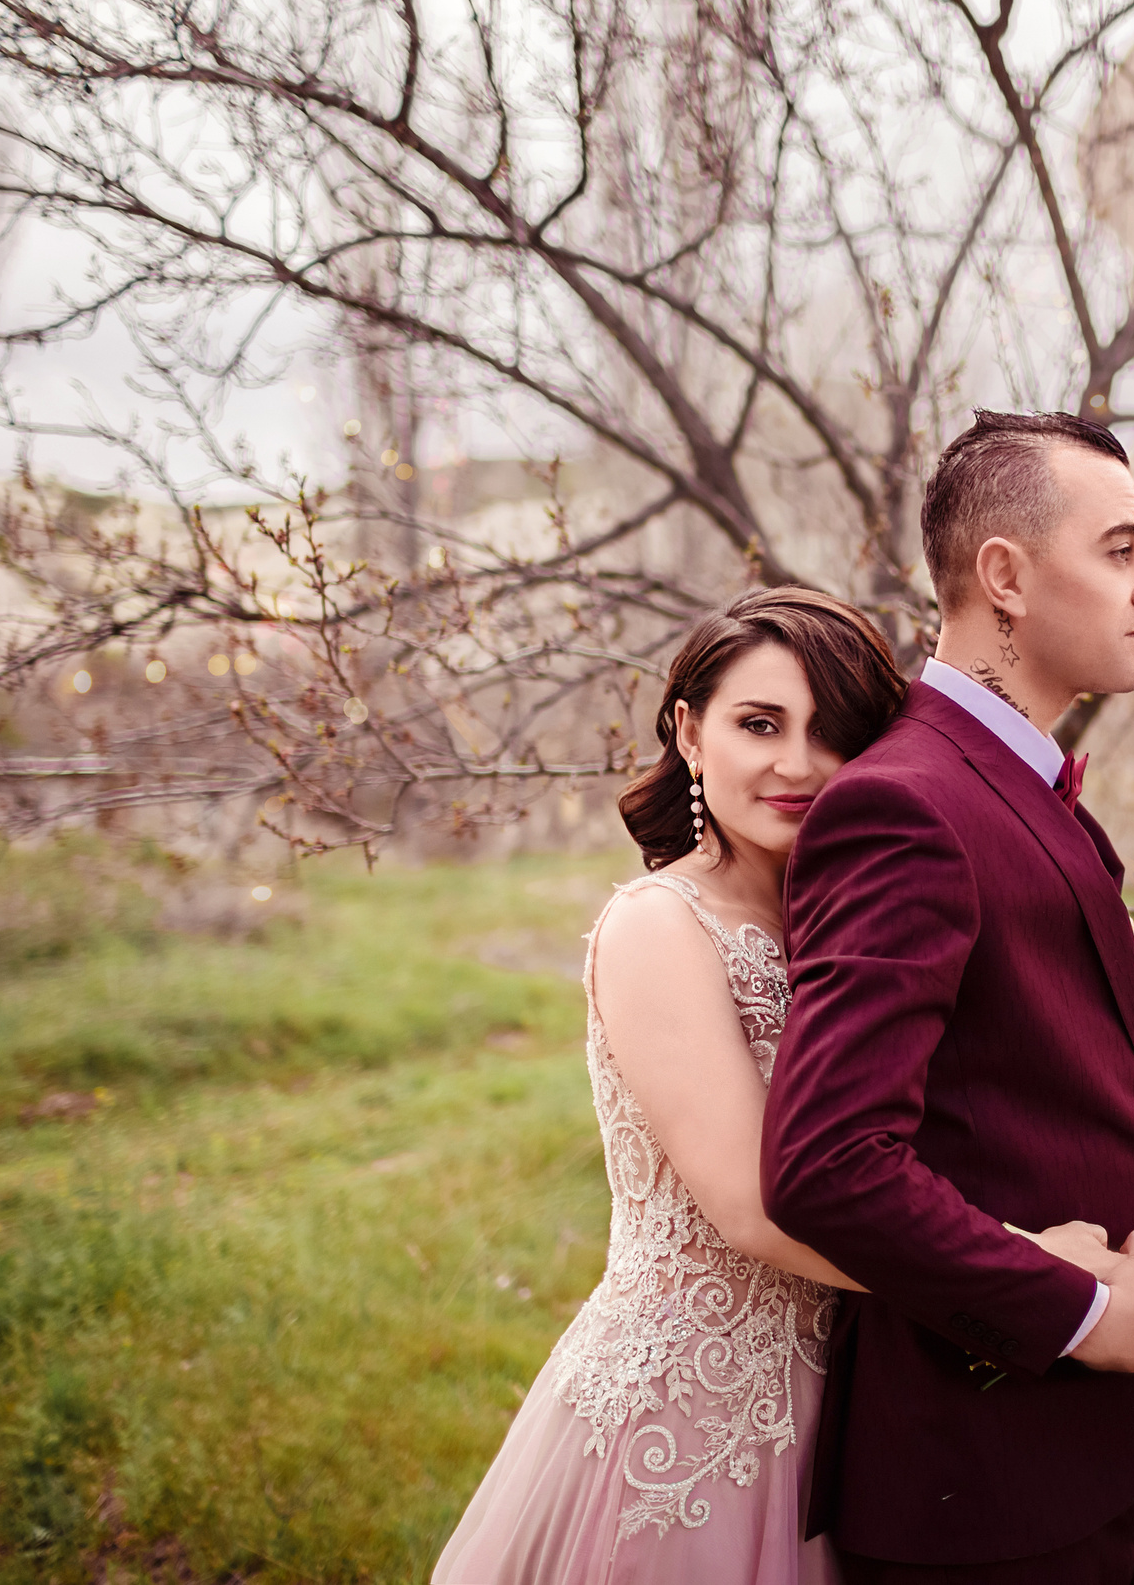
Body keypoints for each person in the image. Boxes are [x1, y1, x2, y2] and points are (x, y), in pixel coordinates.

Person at [762, 410, 1134, 1584]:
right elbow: (828, 1163)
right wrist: (1076, 1311)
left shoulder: (1026, 790)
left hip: (1072, 1464)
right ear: (1004, 577)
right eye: (1121, 550)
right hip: (981, 1486)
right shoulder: (905, 807)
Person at [432, 588, 910, 1585]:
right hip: (688, 1419)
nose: (798, 765)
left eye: (834, 733)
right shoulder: (661, 924)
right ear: (690, 733)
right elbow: (748, 1208)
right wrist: (1018, 1284)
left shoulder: (851, 925)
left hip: (856, 1401)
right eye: (760, 724)